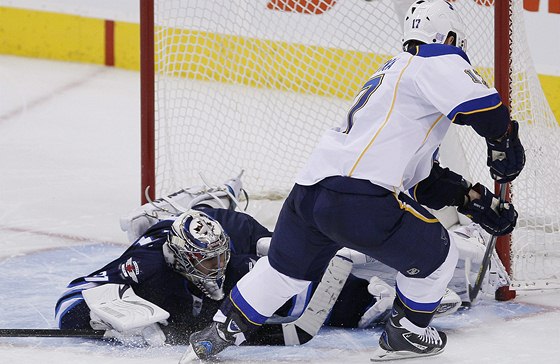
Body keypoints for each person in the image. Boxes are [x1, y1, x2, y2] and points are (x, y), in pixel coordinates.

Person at [182, 0, 525, 362]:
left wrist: (471, 200)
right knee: (440, 254)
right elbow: (487, 108)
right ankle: (409, 332)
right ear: (450, 36)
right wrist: (504, 143)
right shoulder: (437, 59)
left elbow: (420, 180)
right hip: (361, 200)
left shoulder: (395, 78)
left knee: (282, 273)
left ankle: (218, 333)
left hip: (308, 196)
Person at [55, 177, 462, 347]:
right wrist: (99, 314)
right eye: (205, 261)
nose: (216, 267)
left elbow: (293, 274)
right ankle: (173, 209)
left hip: (232, 232)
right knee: (145, 224)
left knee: (305, 265)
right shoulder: (146, 262)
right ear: (180, 258)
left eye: (219, 259)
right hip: (173, 245)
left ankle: (399, 295)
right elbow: (74, 298)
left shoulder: (233, 238)